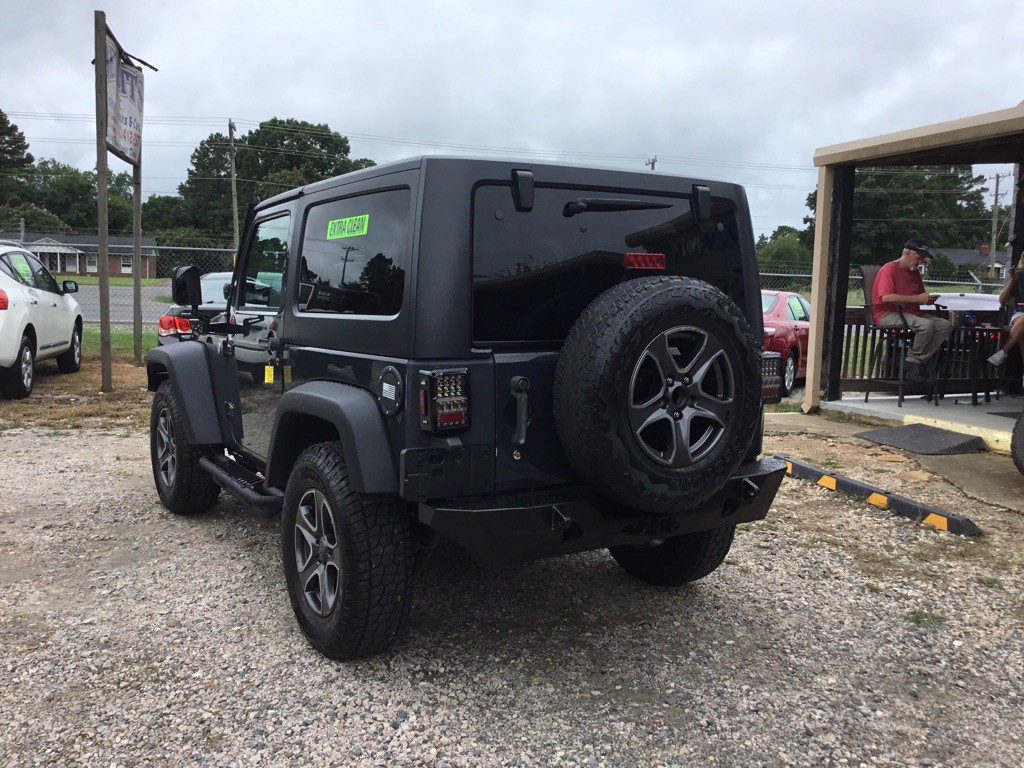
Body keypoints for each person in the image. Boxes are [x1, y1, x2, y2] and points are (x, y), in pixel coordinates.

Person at [872, 239, 952, 383]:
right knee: (926, 326)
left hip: (912, 313)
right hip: (887, 313)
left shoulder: (914, 273)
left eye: (923, 257)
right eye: (919, 256)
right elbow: (886, 297)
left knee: (944, 325)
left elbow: (918, 296)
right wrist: (917, 300)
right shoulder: (889, 268)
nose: (921, 260)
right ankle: (913, 362)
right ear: (907, 253)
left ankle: (913, 360)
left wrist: (927, 299)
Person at [986, 263, 1024, 367]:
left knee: (1022, 334)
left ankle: (1003, 351)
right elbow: (1002, 301)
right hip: (1021, 315)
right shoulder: (1020, 279)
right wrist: (1013, 280)